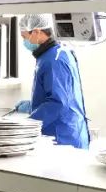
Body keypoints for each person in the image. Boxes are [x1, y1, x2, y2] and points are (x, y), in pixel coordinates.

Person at [15, 14, 91, 149]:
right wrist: (33, 106)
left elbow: (58, 103)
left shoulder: (54, 59)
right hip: (59, 134)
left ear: (36, 32)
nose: (24, 42)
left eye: (24, 37)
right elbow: (57, 94)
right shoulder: (48, 55)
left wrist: (28, 126)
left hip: (63, 138)